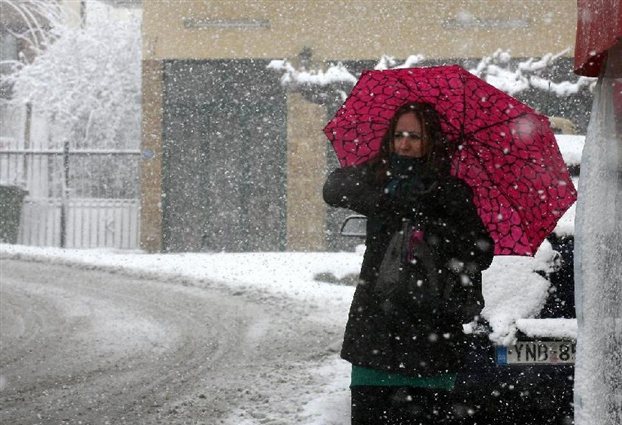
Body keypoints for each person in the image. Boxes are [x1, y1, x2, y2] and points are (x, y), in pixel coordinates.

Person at [323, 102, 494, 424]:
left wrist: (436, 222)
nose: (404, 143)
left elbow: (481, 252)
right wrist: (387, 201)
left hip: (431, 334)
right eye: (398, 134)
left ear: (430, 142)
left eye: (414, 136)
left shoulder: (451, 192)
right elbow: (332, 188)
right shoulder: (377, 178)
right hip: (376, 330)